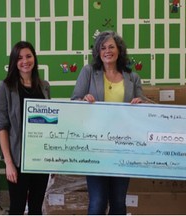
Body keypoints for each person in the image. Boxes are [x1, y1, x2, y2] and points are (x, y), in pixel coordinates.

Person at [71, 30, 144, 215]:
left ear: (119, 50)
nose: (107, 51)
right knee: (97, 202)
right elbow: (73, 102)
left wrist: (139, 104)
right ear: (98, 52)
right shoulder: (89, 72)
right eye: (103, 47)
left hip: (123, 147)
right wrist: (83, 101)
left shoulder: (132, 77)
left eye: (111, 46)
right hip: (96, 147)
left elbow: (144, 110)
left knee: (119, 202)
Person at [0, 41, 50, 215]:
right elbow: (2, 126)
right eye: (19, 58)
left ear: (34, 58)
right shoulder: (5, 87)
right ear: (14, 62)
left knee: (36, 208)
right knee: (17, 208)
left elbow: (51, 124)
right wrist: (9, 163)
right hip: (18, 160)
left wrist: (52, 159)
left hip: (40, 159)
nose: (25, 61)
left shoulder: (44, 86)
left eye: (28, 56)